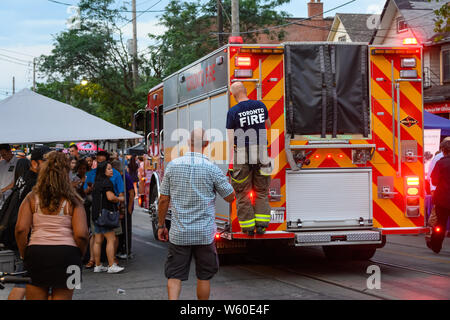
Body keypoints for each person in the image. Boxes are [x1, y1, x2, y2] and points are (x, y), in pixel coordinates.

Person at [158, 128, 235, 300]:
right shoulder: (212, 169)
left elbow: (163, 199)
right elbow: (230, 197)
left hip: (179, 233)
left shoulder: (173, 166)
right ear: (207, 144)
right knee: (204, 276)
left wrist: (161, 225)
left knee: (174, 275)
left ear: (188, 143)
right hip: (204, 234)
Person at [15, 151, 89, 300]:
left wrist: (25, 254)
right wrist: (78, 254)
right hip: (68, 256)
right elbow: (81, 234)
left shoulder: (31, 197)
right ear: (66, 173)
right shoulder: (74, 200)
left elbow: (21, 229)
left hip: (36, 253)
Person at [226, 81, 272, 236]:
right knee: (262, 190)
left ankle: (248, 228)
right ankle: (261, 225)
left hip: (242, 152)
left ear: (233, 95)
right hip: (261, 151)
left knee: (242, 191)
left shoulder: (233, 111)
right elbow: (269, 125)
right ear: (246, 91)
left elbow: (231, 138)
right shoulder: (261, 105)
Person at [6, 146, 50, 300]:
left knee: (24, 281)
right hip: (29, 239)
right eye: (46, 161)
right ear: (34, 164)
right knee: (23, 283)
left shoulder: (24, 178)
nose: (50, 166)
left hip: (24, 238)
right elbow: (23, 225)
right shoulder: (35, 184)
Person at [91, 161, 125, 273]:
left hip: (96, 214)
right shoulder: (107, 182)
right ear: (103, 171)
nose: (112, 171)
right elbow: (110, 197)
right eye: (109, 169)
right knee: (111, 239)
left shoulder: (97, 182)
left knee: (98, 240)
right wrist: (120, 199)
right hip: (105, 215)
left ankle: (98, 265)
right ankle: (111, 265)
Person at [429, 140, 450, 254]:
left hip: (442, 198)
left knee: (440, 224)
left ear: (443, 150)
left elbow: (435, 181)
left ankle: (436, 246)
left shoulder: (440, 163)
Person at [112, 160, 135, 259]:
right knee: (120, 230)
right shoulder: (120, 176)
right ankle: (121, 249)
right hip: (120, 206)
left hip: (124, 207)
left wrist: (129, 209)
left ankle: (127, 250)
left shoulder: (125, 177)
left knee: (126, 230)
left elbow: (132, 193)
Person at [0, 144, 19, 210]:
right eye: (1, 155)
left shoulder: (18, 163)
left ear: (10, 151)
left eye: (4, 155)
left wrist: (2, 190)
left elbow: (17, 180)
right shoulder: (2, 163)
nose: (3, 157)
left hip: (10, 195)